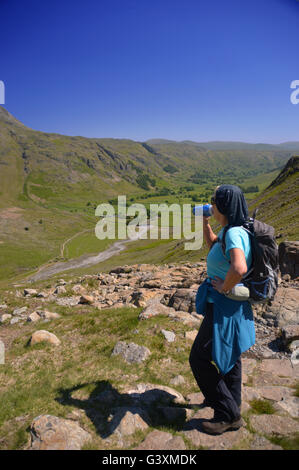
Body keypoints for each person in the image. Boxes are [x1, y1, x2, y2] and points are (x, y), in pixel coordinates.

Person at [189, 184, 255, 435]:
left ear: (224, 207)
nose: (211, 205)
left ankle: (228, 414)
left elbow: (238, 268)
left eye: (214, 202)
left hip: (224, 306)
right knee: (230, 356)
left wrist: (225, 288)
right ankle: (230, 400)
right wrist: (206, 223)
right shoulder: (231, 230)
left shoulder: (235, 234)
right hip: (229, 306)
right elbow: (215, 246)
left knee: (199, 357)